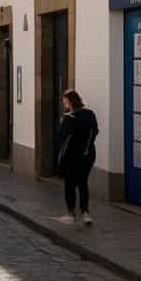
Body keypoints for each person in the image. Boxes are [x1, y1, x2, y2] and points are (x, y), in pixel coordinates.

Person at [55, 89, 99, 225]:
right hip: (88, 154)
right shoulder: (90, 114)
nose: (64, 105)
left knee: (69, 184)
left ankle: (71, 213)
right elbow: (95, 131)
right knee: (83, 183)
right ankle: (86, 213)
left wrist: (64, 122)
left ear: (69, 102)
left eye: (65, 102)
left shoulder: (69, 118)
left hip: (71, 156)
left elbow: (60, 138)